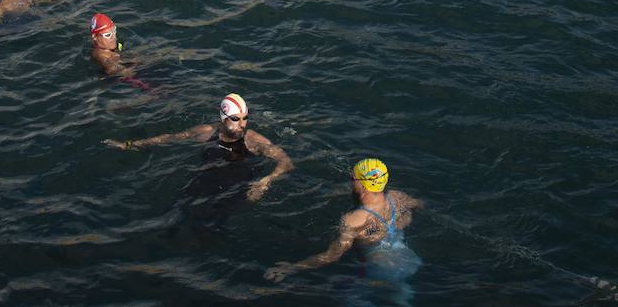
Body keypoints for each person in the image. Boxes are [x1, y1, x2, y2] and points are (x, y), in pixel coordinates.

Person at [103, 93, 294, 203]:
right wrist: (129, 145)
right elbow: (169, 138)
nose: (242, 124)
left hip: (234, 190)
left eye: (245, 118)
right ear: (223, 118)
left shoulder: (254, 141)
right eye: (236, 119)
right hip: (203, 183)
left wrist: (266, 181)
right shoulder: (205, 132)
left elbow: (286, 162)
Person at [264, 159, 422, 285]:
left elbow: (332, 255)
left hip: (379, 268)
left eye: (353, 178)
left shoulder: (353, 219)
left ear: (362, 185)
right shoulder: (398, 197)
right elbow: (420, 204)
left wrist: (291, 268)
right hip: (409, 260)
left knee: (351, 298)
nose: (350, 181)